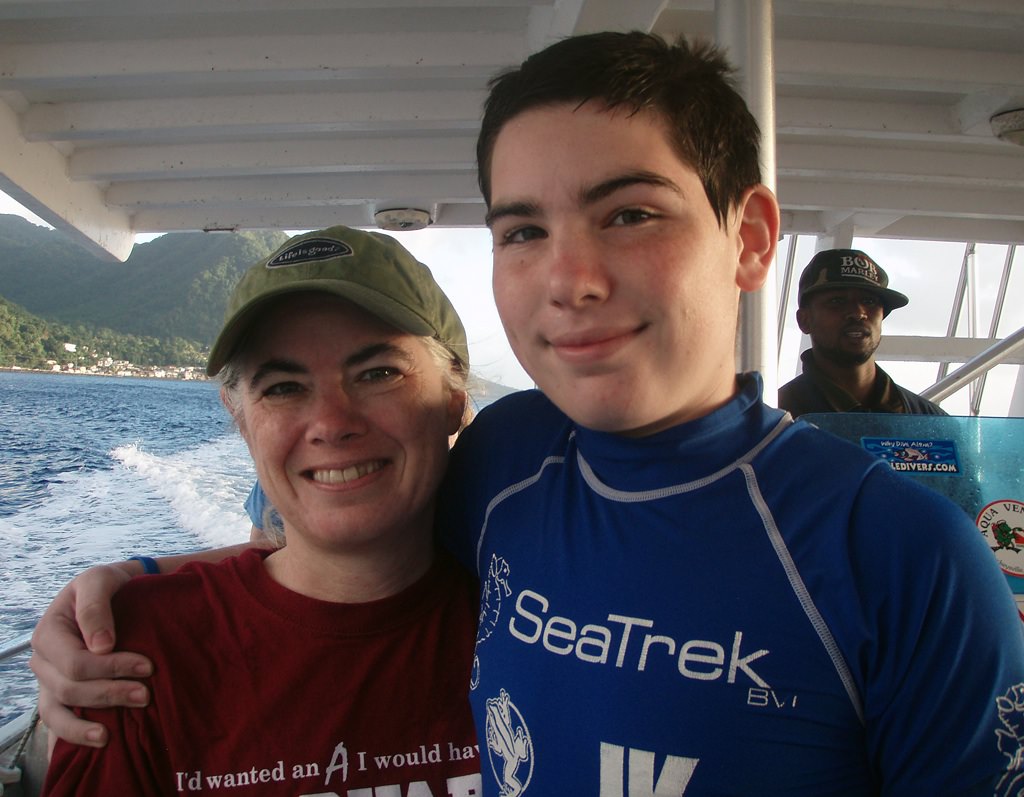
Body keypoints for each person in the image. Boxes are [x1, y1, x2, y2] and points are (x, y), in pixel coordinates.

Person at [31, 31, 1024, 796]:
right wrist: (125, 587)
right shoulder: (506, 463)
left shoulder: (907, 558)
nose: (570, 277)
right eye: (521, 229)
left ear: (750, 237)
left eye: (630, 212)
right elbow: (330, 534)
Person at [40, 225, 482, 795]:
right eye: (281, 387)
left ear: (452, 402)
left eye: (378, 374)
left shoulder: (541, 622)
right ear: (239, 417)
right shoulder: (134, 658)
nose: (331, 422)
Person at [777, 248, 949, 417]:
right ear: (804, 320)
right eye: (837, 301)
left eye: (869, 301)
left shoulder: (931, 421)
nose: (858, 313)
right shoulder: (772, 421)